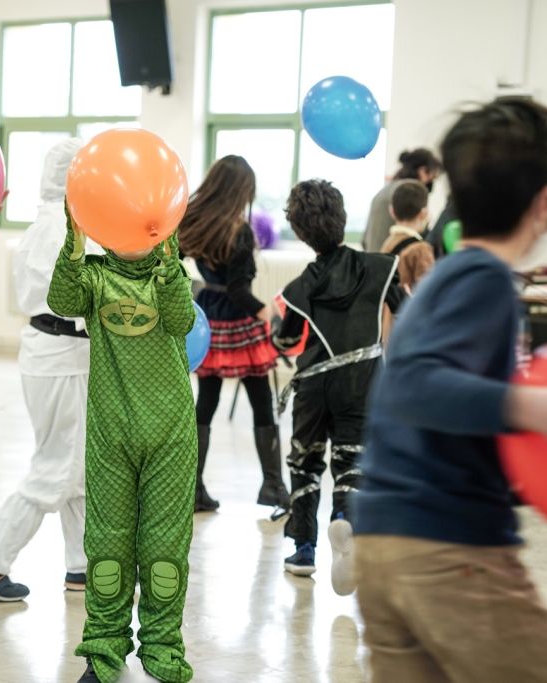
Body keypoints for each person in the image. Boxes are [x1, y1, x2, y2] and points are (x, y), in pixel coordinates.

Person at [341, 98, 547, 682]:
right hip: (451, 554)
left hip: (386, 547)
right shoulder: (484, 280)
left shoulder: (442, 282)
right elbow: (417, 386)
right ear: (545, 204)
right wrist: (536, 406)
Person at [48, 207, 197, 683]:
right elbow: (60, 299)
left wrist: (170, 259)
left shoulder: (167, 274)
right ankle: (104, 650)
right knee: (108, 547)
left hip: (171, 432)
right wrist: (73, 244)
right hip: (112, 433)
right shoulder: (93, 277)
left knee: (164, 550)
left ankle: (161, 646)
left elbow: (181, 320)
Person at [0, 138, 90, 601]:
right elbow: (80, 300)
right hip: (63, 355)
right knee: (57, 468)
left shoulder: (50, 224)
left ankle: (82, 565)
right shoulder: (67, 231)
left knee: (80, 466)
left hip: (54, 352)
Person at [272, 179, 405, 577]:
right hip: (362, 382)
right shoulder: (378, 268)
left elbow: (288, 339)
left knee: (305, 460)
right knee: (353, 459)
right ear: (343, 218)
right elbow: (404, 306)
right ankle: (345, 518)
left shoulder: (301, 287)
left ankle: (304, 550)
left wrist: (280, 334)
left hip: (313, 386)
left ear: (299, 232)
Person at [176, 155, 287, 514]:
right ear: (239, 191)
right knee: (260, 402)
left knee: (205, 403)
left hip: (206, 318)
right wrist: (267, 312)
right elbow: (239, 291)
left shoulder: (192, 220)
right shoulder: (238, 231)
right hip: (239, 322)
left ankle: (191, 489)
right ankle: (273, 486)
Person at [362, 148, 443, 252]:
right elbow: (422, 236)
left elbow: (365, 239)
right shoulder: (410, 192)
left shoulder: (386, 190)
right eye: (433, 176)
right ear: (423, 171)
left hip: (374, 257)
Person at [379, 179, 436, 294]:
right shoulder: (421, 249)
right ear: (424, 213)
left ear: (392, 211)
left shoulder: (388, 242)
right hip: (408, 310)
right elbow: (429, 292)